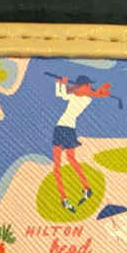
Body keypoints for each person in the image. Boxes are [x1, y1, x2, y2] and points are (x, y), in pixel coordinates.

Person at [51, 75, 111, 212]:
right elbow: (60, 94)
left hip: (66, 129)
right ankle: (65, 196)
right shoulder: (76, 94)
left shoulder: (86, 98)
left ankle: (85, 188)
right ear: (82, 86)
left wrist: (63, 84)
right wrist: (59, 84)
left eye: (90, 86)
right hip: (62, 128)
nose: (90, 87)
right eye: (88, 85)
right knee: (58, 165)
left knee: (70, 160)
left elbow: (90, 92)